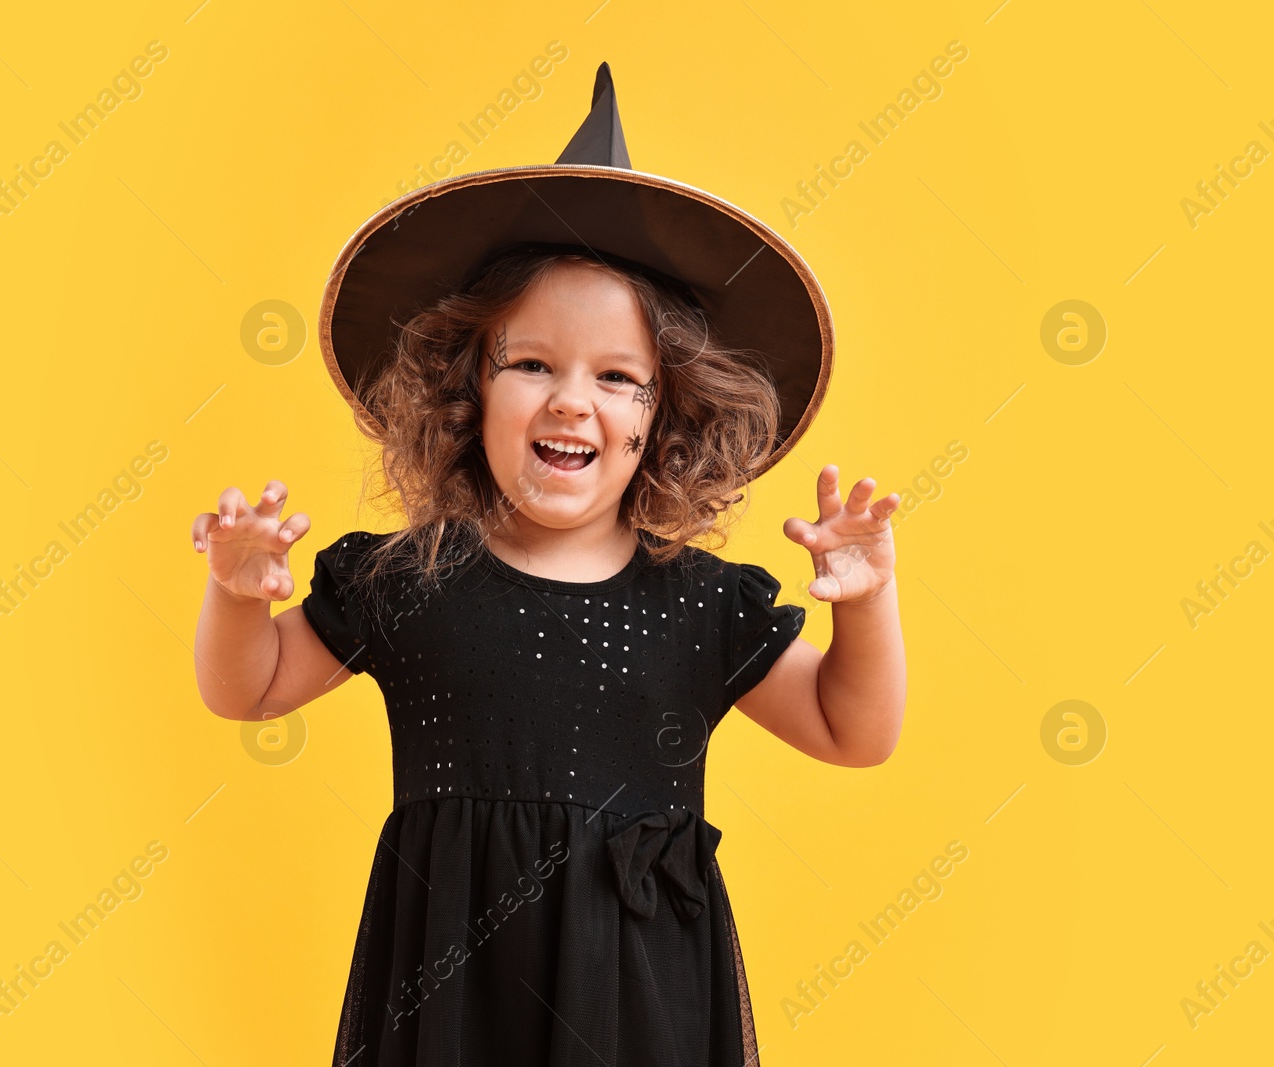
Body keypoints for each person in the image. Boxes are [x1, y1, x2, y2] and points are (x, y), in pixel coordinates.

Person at [192, 64, 905, 1067]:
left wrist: (867, 601)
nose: (573, 401)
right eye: (531, 364)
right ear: (463, 390)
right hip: (451, 995)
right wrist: (234, 593)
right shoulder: (412, 576)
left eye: (618, 378)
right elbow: (250, 688)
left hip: (642, 1005)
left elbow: (853, 729)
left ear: (664, 418)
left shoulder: (697, 602)